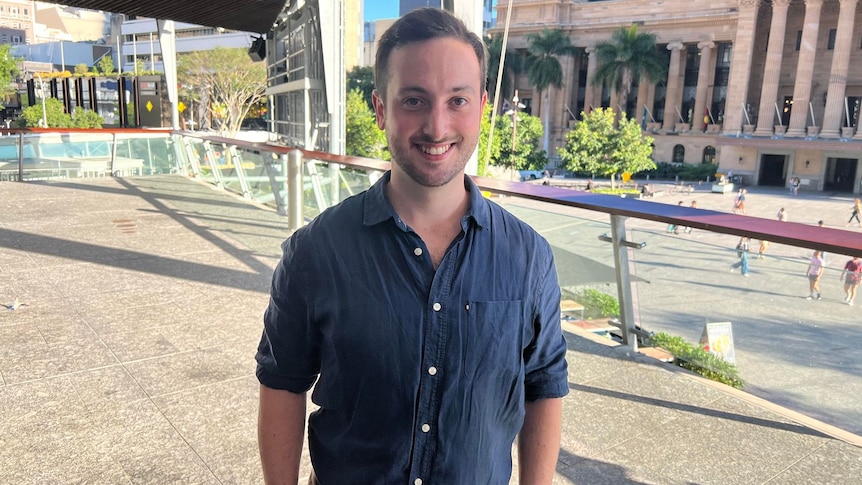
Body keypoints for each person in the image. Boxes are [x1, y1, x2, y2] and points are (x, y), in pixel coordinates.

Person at [255, 8, 569, 485]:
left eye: (457, 100)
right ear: (382, 109)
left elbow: (543, 385)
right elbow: (282, 382)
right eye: (415, 101)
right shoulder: (316, 252)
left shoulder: (528, 259)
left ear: (482, 106)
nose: (437, 126)